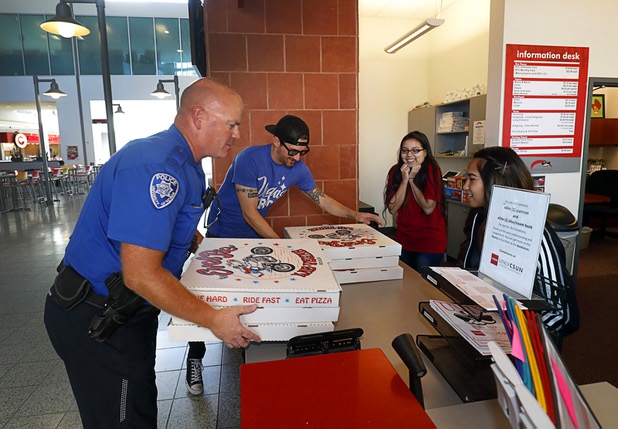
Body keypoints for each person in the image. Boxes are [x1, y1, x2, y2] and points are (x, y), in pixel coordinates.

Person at [44, 77, 260, 428]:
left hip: (127, 312)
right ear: (199, 116)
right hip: (98, 318)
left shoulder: (186, 163)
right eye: (232, 124)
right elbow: (141, 274)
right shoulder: (157, 166)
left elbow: (168, 221)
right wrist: (213, 319)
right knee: (124, 419)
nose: (237, 134)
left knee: (138, 406)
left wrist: (197, 241)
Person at [184, 115, 383, 393]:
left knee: (255, 297)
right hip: (224, 236)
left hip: (255, 239)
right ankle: (195, 357)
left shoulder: (298, 167)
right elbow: (250, 213)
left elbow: (320, 198)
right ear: (276, 142)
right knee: (207, 301)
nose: (298, 157)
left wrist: (354, 214)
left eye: (303, 152)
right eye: (293, 151)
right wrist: (282, 246)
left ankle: (250, 355)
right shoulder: (249, 160)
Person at [458, 146, 579, 346]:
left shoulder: (537, 235)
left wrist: (518, 340)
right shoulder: (480, 219)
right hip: (491, 333)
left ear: (493, 182)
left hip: (526, 344)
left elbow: (560, 312)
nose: (465, 187)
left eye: (472, 179)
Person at [383, 131, 447, 272]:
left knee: (423, 286)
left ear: (425, 152)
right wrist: (405, 179)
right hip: (403, 240)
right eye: (405, 151)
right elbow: (392, 208)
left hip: (429, 242)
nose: (410, 155)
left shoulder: (431, 169)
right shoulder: (396, 171)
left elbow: (428, 208)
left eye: (416, 150)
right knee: (406, 284)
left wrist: (412, 180)